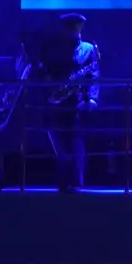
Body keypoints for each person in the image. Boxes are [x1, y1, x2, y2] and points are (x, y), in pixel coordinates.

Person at [37, 13, 100, 191]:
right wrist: (50, 88)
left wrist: (92, 98)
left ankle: (77, 179)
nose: (74, 31)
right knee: (57, 137)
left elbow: (95, 74)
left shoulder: (89, 48)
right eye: (70, 28)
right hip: (57, 99)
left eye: (76, 27)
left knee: (77, 138)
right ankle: (64, 176)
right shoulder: (53, 48)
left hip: (79, 99)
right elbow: (44, 71)